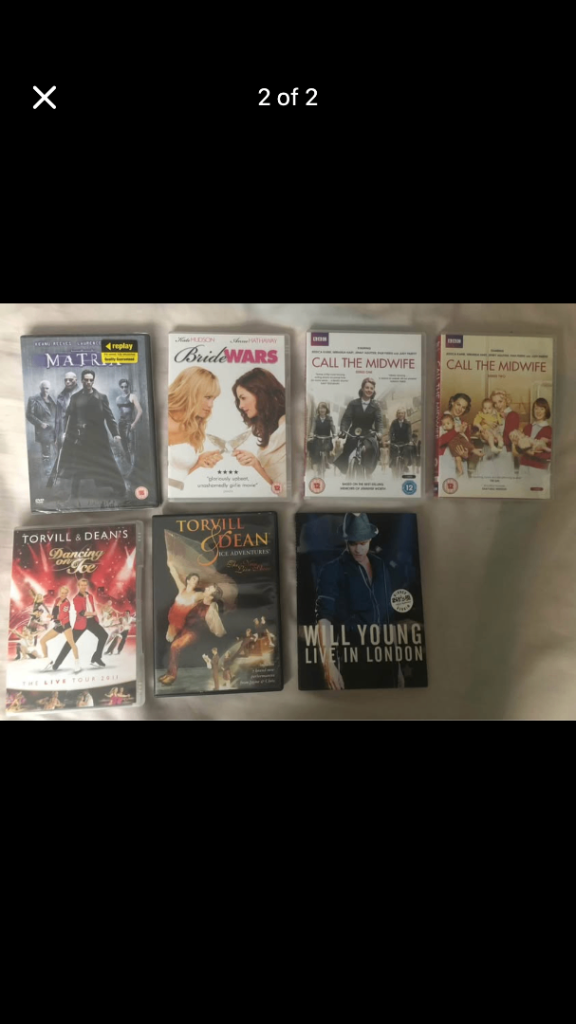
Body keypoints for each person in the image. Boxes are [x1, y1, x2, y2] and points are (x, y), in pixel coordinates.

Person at [315, 513, 394, 690]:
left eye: (363, 543)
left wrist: (398, 667)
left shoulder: (380, 565)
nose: (358, 549)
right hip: (353, 658)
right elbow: (324, 618)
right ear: (346, 541)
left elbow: (389, 616)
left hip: (386, 657)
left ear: (370, 540)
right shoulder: (332, 570)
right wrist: (328, 665)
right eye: (352, 543)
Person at [56, 369, 125, 498]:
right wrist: (65, 433)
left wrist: (115, 434)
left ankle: (120, 489)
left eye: (91, 380)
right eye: (86, 380)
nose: (88, 382)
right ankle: (74, 494)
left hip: (99, 437)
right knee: (78, 464)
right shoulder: (75, 398)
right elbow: (68, 416)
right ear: (82, 381)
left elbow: (109, 417)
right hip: (81, 437)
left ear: (93, 381)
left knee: (108, 463)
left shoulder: (101, 397)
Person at [159, 585, 225, 685]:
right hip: (184, 629)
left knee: (175, 646)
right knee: (173, 649)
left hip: (193, 633)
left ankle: (172, 676)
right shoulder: (198, 602)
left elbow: (217, 628)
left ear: (211, 596)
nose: (206, 588)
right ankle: (169, 673)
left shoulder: (210, 610)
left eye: (209, 589)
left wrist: (220, 633)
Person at [168, 367, 223, 487]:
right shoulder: (164, 421)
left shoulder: (192, 425)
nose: (211, 405)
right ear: (191, 392)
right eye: (207, 397)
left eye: (213, 399)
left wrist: (198, 463)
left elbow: (175, 481)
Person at [232, 368, 286, 486]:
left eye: (243, 398)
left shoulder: (286, 423)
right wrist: (255, 463)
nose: (240, 405)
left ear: (260, 394)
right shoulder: (271, 428)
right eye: (239, 400)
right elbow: (279, 486)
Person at [47, 578, 109, 671]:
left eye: (85, 585)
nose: (83, 587)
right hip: (81, 623)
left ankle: (96, 657)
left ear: (87, 586)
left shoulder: (90, 596)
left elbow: (91, 607)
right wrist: (92, 613)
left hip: (92, 621)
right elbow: (81, 612)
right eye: (82, 585)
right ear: (79, 586)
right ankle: (56, 664)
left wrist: (94, 615)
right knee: (70, 643)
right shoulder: (76, 598)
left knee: (104, 635)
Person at [334, 378, 383, 475]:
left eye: (371, 388)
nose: (369, 390)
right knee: (348, 452)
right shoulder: (353, 403)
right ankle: (349, 473)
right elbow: (346, 418)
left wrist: (379, 432)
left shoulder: (376, 406)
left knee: (369, 449)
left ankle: (368, 472)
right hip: (354, 433)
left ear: (374, 390)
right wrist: (343, 430)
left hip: (368, 434)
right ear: (362, 388)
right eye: (367, 387)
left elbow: (379, 421)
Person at [39, 585, 81, 673]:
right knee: (42, 641)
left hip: (65, 625)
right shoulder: (57, 600)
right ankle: (47, 661)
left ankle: (77, 664)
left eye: (65, 593)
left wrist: (53, 616)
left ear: (67, 594)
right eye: (62, 593)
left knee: (72, 643)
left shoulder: (67, 603)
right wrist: (52, 616)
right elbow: (54, 611)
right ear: (60, 592)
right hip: (58, 625)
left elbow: (62, 616)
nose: (63, 595)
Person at [511, 398, 552, 487]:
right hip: (524, 467)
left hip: (539, 469)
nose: (538, 411)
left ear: (546, 411)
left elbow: (551, 454)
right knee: (522, 492)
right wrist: (516, 443)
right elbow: (519, 450)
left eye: (542, 409)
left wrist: (532, 452)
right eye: (536, 408)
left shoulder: (550, 430)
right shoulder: (527, 427)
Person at [26, 380, 57, 462]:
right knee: (46, 454)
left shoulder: (53, 398)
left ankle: (56, 468)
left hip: (55, 428)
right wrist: (40, 423)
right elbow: (29, 415)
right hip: (43, 429)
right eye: (43, 388)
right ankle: (47, 467)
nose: (45, 390)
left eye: (47, 388)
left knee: (57, 452)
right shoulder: (33, 399)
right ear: (40, 388)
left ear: (50, 388)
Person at [116, 379, 143, 467]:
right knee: (124, 446)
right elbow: (121, 412)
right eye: (122, 387)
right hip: (121, 423)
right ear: (120, 388)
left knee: (131, 446)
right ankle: (128, 466)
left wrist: (134, 423)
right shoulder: (118, 398)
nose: (124, 388)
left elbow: (140, 411)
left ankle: (133, 467)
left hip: (129, 423)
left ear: (128, 386)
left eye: (126, 386)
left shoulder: (132, 396)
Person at [308, 402, 337, 471]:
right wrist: (311, 433)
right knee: (315, 451)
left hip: (327, 439)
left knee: (328, 449)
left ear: (326, 410)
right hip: (317, 438)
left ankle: (326, 461)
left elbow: (332, 426)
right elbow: (313, 427)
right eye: (320, 408)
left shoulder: (329, 418)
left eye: (324, 408)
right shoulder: (316, 418)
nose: (322, 410)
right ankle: (315, 470)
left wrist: (334, 433)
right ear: (318, 409)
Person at [54, 372, 80, 448]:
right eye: (66, 380)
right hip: (64, 432)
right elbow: (58, 418)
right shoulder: (61, 396)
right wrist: (56, 436)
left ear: (76, 380)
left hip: (79, 432)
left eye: (70, 380)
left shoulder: (83, 394)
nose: (67, 382)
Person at [388, 406, 414, 470]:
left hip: (405, 441)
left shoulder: (407, 422)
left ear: (404, 414)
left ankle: (406, 465)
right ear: (397, 414)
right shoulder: (394, 422)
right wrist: (389, 440)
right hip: (396, 441)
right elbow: (391, 432)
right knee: (392, 450)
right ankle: (392, 462)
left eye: (402, 413)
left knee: (407, 450)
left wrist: (410, 441)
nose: (400, 415)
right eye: (399, 413)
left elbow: (409, 432)